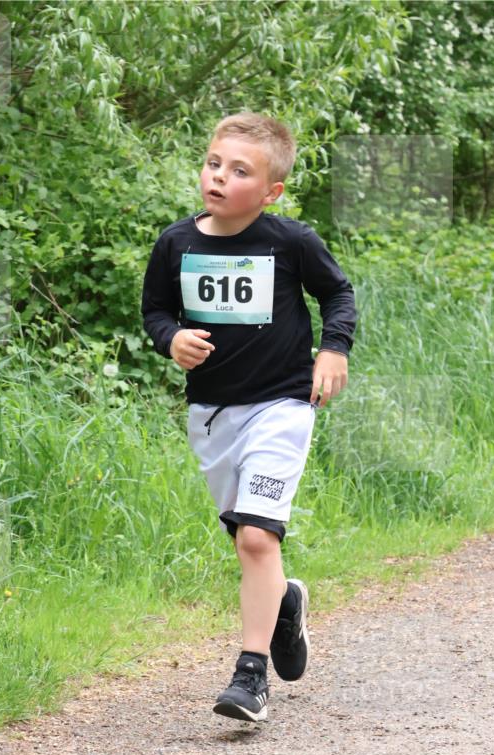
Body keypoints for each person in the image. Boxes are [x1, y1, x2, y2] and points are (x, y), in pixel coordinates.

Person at [141, 112, 356, 723]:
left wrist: (333, 349)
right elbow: (155, 311)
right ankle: (283, 602)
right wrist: (172, 339)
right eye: (214, 163)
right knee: (246, 539)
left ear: (271, 191)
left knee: (259, 536)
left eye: (239, 171)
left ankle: (251, 675)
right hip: (212, 415)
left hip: (283, 404)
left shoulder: (290, 241)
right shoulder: (176, 243)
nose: (219, 177)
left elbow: (337, 293)